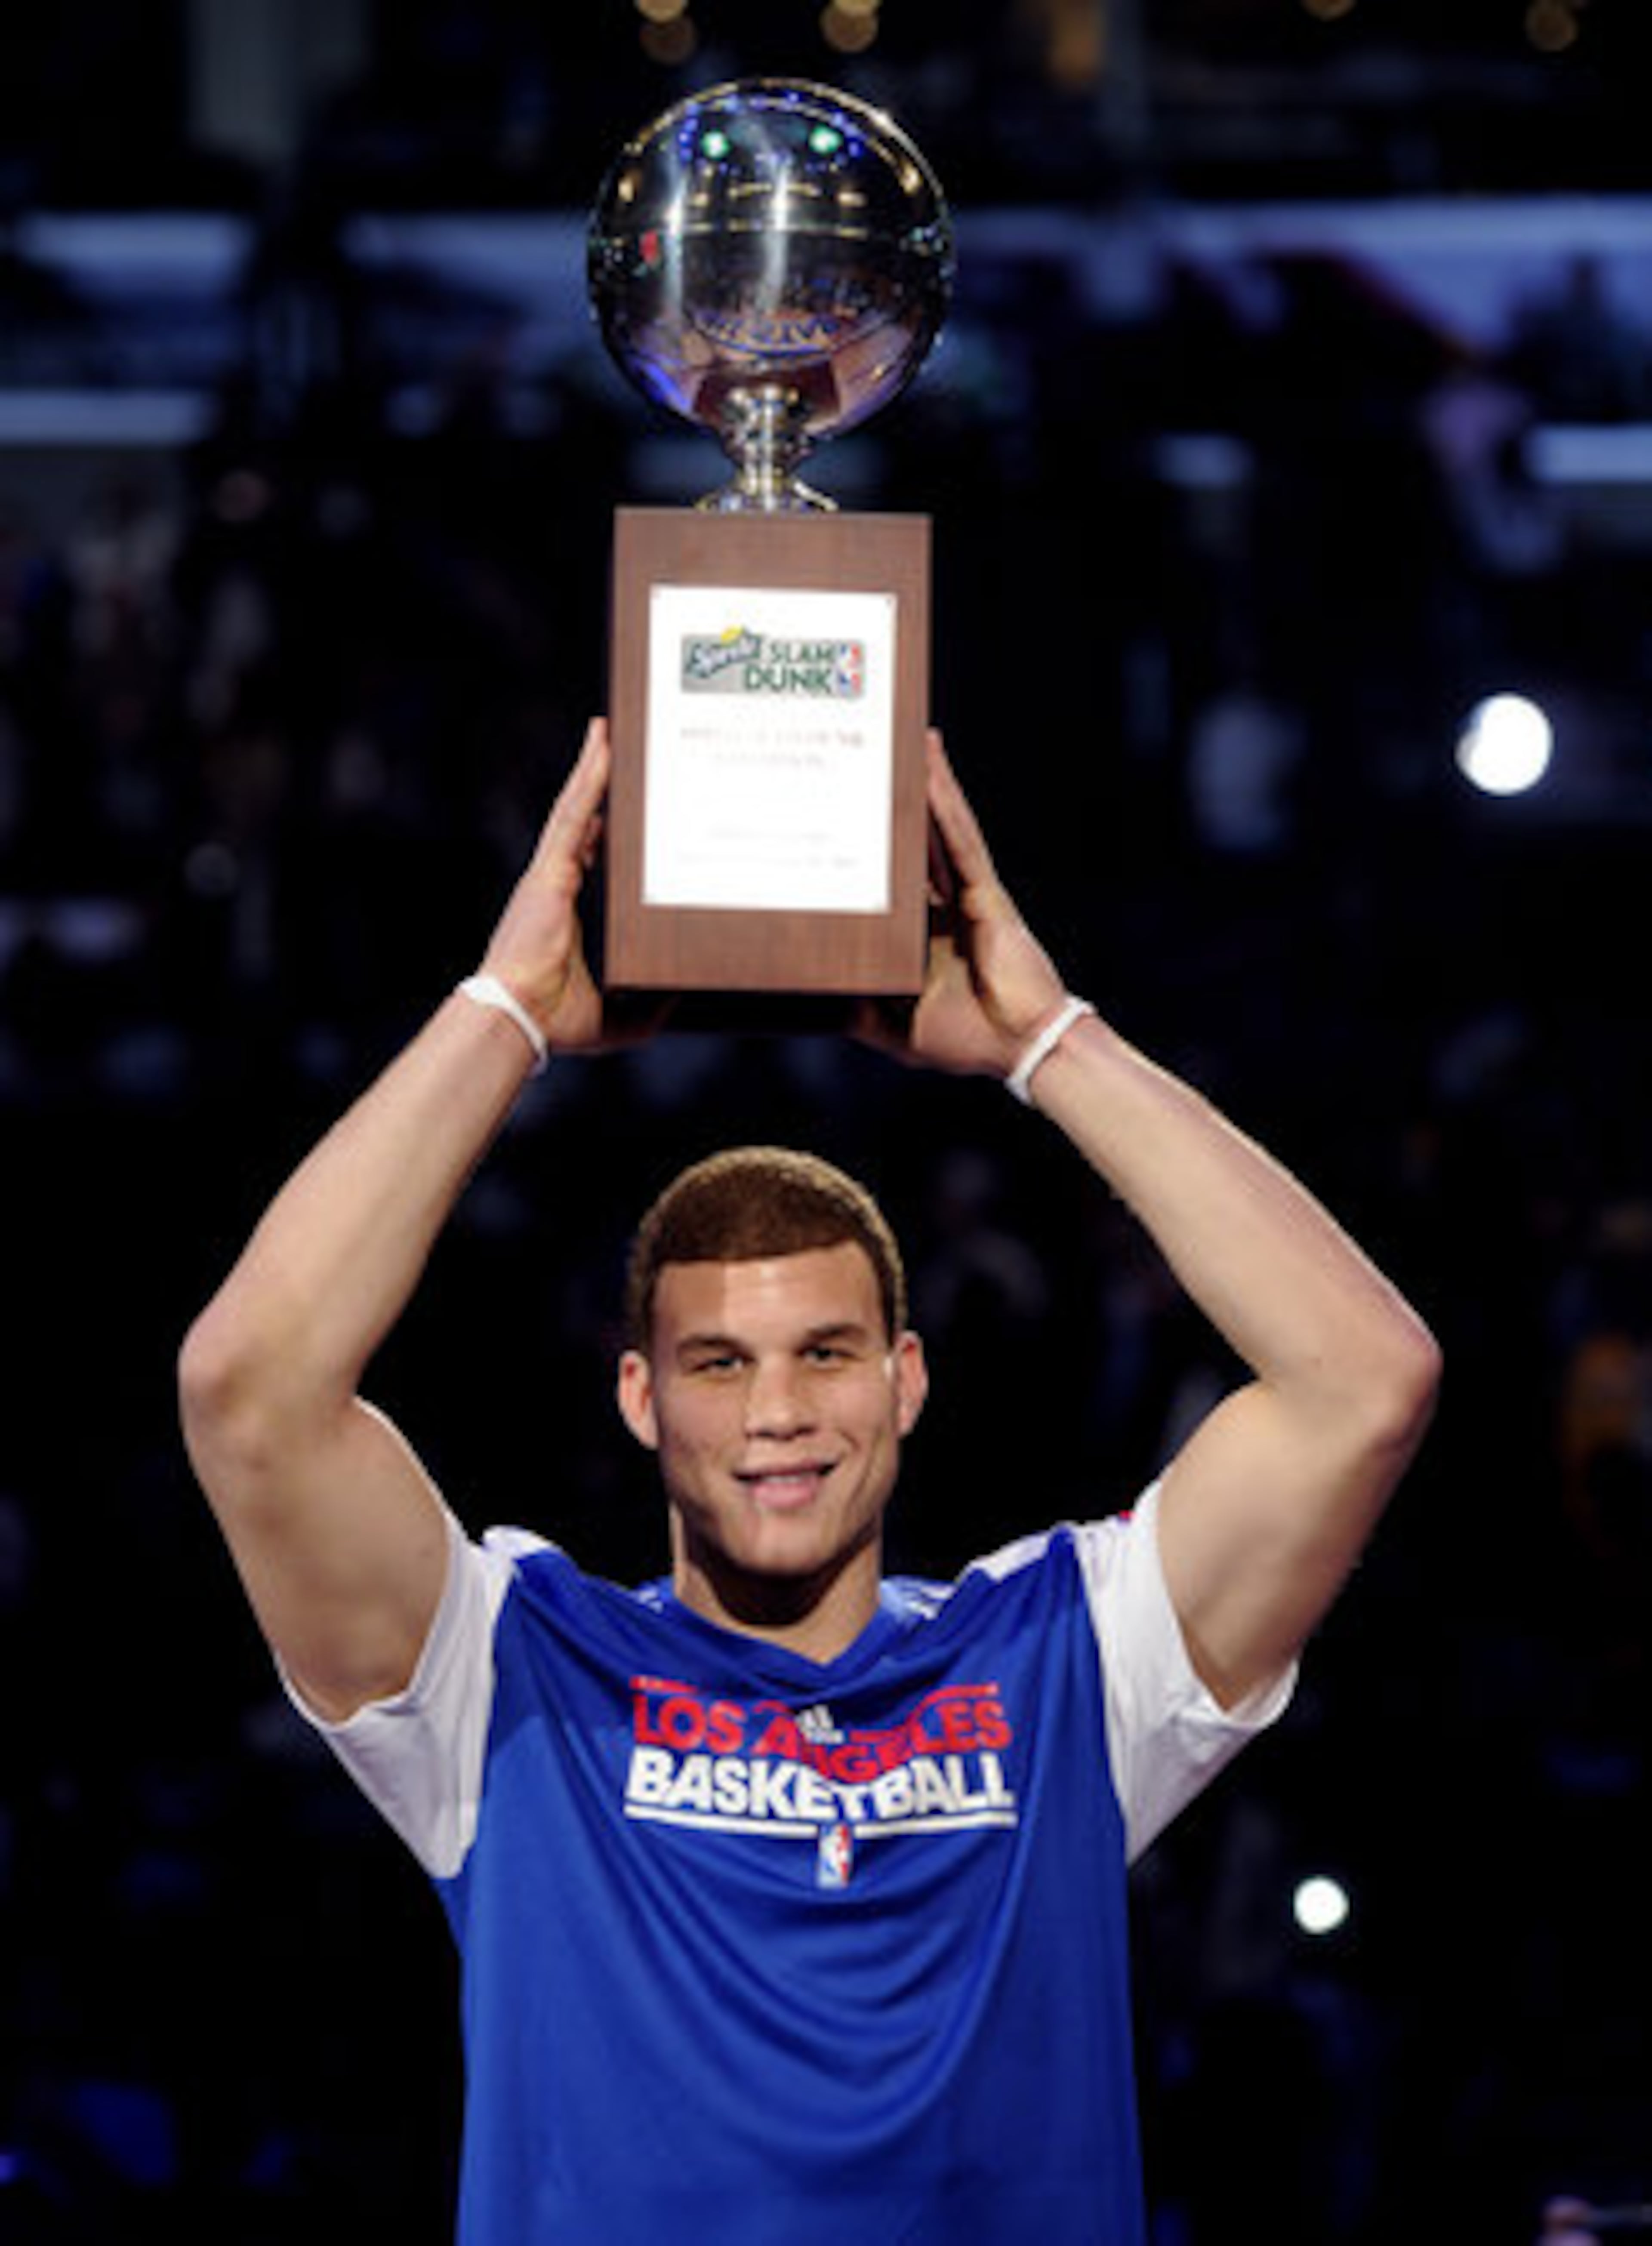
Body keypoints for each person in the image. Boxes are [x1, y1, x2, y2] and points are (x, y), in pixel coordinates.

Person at [179, 718, 1440, 2243]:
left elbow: (1364, 1383)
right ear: (640, 1398)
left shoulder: (1066, 1658)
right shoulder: (507, 1675)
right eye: (719, 1363)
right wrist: (504, 1009)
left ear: (906, 1379)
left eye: (827, 1354)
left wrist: (1050, 1043)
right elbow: (250, 1394)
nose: (779, 1413)